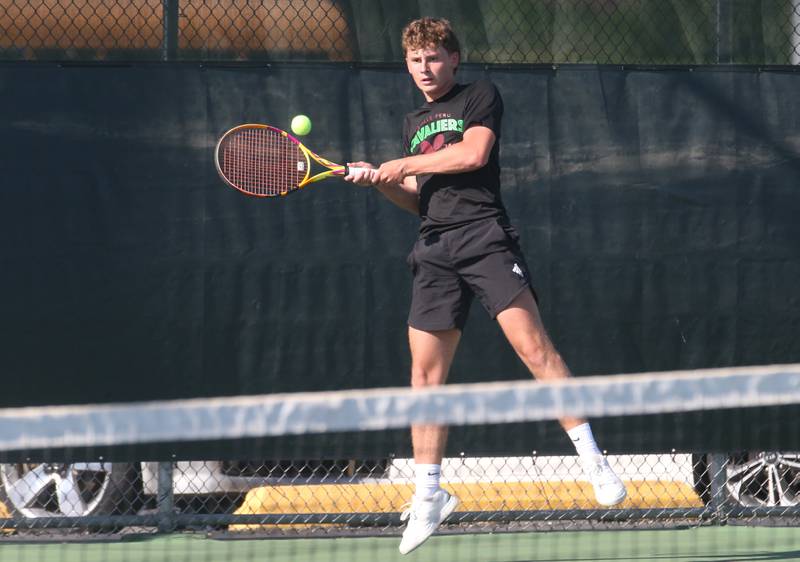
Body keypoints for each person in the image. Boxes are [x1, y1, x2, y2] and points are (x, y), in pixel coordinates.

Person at [345, 16, 627, 555]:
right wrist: (381, 182)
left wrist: (402, 162)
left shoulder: (479, 96)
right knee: (424, 376)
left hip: (483, 236)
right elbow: (418, 197)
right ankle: (429, 494)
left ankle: (593, 458)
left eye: (432, 58)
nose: (424, 70)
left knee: (533, 348)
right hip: (434, 248)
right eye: (414, 61)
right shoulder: (413, 121)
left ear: (453, 59)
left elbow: (472, 155)